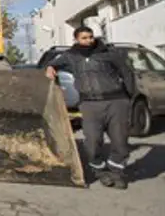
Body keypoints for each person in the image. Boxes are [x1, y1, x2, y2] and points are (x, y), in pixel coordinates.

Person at [45, 26, 136, 189]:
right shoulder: (70, 56)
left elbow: (126, 73)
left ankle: (117, 171)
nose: (88, 40)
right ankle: (100, 171)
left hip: (116, 101)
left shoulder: (109, 53)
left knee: (120, 140)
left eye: (90, 37)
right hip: (89, 104)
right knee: (92, 142)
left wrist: (129, 97)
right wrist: (51, 67)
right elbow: (53, 63)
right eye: (84, 38)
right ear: (76, 39)